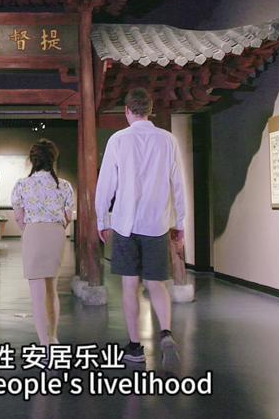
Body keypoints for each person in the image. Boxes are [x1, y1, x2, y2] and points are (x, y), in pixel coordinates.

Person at [95, 87, 186, 367]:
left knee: (129, 285)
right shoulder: (168, 140)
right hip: (157, 223)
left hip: (126, 223)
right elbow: (178, 184)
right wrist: (180, 223)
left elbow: (106, 184)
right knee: (157, 283)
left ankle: (135, 346)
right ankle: (166, 332)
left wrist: (102, 220)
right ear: (150, 110)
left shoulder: (118, 140)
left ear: (127, 110)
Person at [11, 138, 75, 347]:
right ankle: (54, 336)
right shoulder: (64, 185)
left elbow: (19, 217)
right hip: (56, 235)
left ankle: (45, 345)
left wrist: (31, 231)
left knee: (37, 296)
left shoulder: (22, 185)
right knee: (52, 290)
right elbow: (68, 217)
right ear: (53, 159)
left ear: (33, 160)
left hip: (33, 234)